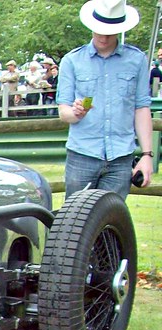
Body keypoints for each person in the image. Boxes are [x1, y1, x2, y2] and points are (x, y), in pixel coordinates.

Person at [57, 0, 153, 198]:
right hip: (82, 154)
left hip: (121, 156)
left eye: (110, 30)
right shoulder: (72, 61)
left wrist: (146, 155)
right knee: (75, 222)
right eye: (99, 29)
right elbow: (63, 112)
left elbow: (142, 108)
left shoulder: (137, 60)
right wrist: (76, 113)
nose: (103, 35)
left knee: (112, 222)